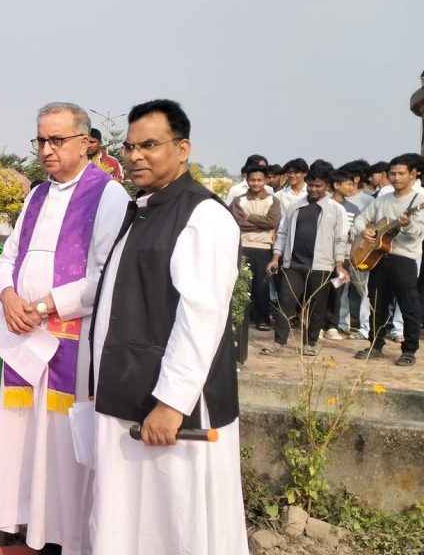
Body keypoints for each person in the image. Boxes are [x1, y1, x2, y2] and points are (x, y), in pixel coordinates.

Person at [89, 99, 248, 555]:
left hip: (170, 407)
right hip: (128, 389)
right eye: (129, 147)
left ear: (182, 149)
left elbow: (202, 316)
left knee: (177, 520)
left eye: (149, 145)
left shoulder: (203, 216)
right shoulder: (143, 209)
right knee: (125, 516)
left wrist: (171, 403)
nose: (135, 156)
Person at [0, 102, 130, 554]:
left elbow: (107, 274)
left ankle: (60, 532)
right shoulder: (36, 196)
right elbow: (9, 256)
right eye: (41, 140)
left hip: (70, 338)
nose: (46, 150)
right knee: (24, 430)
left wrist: (46, 305)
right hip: (24, 331)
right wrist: (8, 295)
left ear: (86, 142)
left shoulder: (108, 195)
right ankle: (24, 517)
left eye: (57, 140)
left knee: (58, 437)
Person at [262, 166, 349, 356]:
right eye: (311, 185)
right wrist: (276, 258)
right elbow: (282, 233)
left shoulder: (336, 209)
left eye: (318, 186)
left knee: (317, 306)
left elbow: (340, 240)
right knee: (286, 302)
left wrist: (339, 265)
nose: (313, 189)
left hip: (321, 266)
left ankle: (310, 343)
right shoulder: (295, 206)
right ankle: (279, 342)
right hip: (293, 265)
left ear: (327, 186)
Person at [354, 154, 424, 366]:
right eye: (392, 173)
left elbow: (418, 232)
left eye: (401, 173)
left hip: (404, 260)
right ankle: (375, 345)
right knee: (377, 304)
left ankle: (409, 350)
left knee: (408, 306)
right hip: (378, 258)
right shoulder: (383, 198)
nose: (396, 177)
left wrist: (407, 224)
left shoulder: (419, 200)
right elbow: (361, 218)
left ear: (413, 174)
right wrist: (364, 231)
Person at [229, 166, 281, 332]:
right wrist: (261, 224)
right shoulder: (238, 200)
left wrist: (250, 217)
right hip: (242, 246)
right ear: (247, 180)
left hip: (264, 248)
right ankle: (240, 319)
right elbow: (237, 222)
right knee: (241, 283)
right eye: (252, 180)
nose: (256, 183)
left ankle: (263, 319)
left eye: (259, 180)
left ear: (265, 181)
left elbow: (272, 222)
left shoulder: (273, 201)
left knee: (261, 286)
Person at [323, 166, 360, 340]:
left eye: (353, 184)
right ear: (336, 185)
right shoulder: (325, 204)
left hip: (343, 257)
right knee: (321, 291)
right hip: (323, 256)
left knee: (337, 292)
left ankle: (332, 325)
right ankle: (318, 325)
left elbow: (357, 232)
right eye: (348, 184)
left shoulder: (353, 208)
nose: (352, 188)